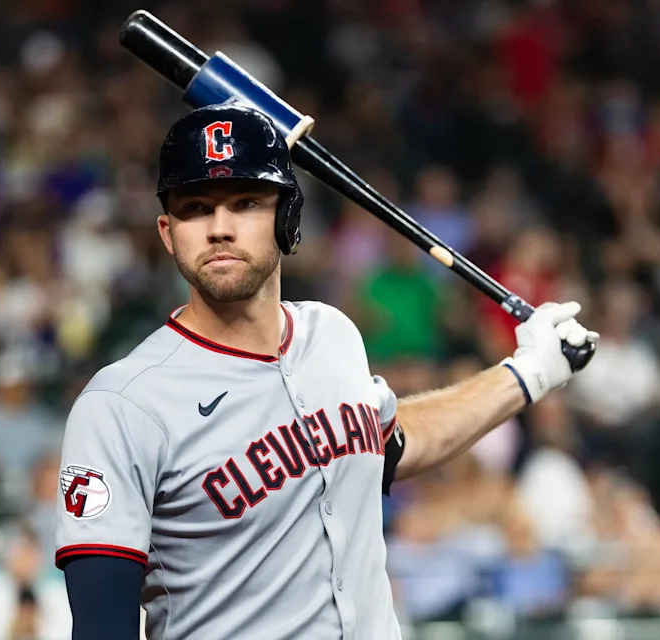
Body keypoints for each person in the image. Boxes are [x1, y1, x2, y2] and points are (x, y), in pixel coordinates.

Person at [56, 104, 599, 640]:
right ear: (167, 231)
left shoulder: (333, 336)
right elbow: (103, 626)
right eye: (195, 208)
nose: (219, 228)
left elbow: (391, 445)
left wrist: (528, 371)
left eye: (245, 202)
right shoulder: (123, 404)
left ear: (287, 219)